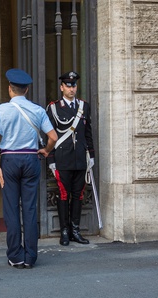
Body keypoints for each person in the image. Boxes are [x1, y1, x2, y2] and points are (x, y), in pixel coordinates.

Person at [0, 68, 58, 269]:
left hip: (9, 160)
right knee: (29, 208)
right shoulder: (37, 110)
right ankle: (30, 257)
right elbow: (53, 137)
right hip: (31, 158)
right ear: (27, 90)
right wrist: (45, 150)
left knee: (11, 209)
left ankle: (15, 256)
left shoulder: (0, 110)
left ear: (10, 89)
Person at [45, 71, 95, 246]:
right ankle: (64, 231)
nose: (71, 88)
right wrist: (51, 159)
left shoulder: (84, 106)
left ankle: (75, 230)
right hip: (62, 158)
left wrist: (91, 156)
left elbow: (88, 133)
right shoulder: (53, 108)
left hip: (80, 158)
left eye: (74, 85)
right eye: (68, 85)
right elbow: (49, 136)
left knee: (78, 195)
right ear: (61, 87)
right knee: (64, 195)